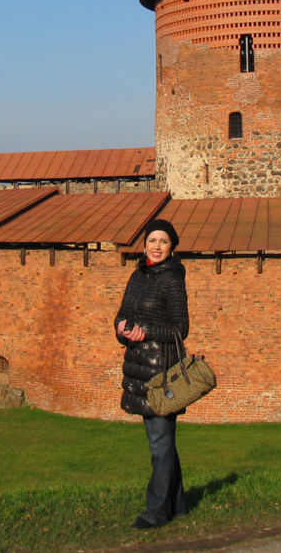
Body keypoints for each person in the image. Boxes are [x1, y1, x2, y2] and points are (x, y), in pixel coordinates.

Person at [114, 218, 190, 529]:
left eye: (163, 241)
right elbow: (123, 313)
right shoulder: (138, 276)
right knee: (161, 441)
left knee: (159, 442)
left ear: (171, 247)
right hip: (139, 370)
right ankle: (179, 504)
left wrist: (145, 331)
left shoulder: (172, 280)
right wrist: (121, 328)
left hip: (162, 372)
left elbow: (179, 328)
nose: (156, 246)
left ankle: (156, 511)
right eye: (152, 240)